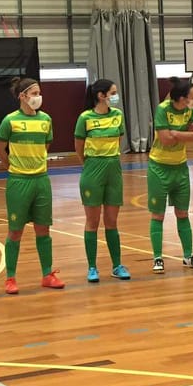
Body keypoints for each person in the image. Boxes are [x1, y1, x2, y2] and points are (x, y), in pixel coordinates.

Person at [0, 77, 63, 293]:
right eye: (34, 94)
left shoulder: (46, 119)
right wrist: (11, 167)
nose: (38, 97)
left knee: (43, 229)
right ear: (22, 96)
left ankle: (47, 274)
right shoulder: (10, 121)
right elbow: (0, 148)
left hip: (41, 180)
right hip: (19, 181)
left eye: (39, 93)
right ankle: (10, 278)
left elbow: (46, 144)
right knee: (15, 231)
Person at [147, 77, 193, 273]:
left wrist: (176, 134)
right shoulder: (163, 109)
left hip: (180, 167)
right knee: (158, 215)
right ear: (181, 98)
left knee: (182, 213)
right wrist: (182, 134)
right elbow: (164, 140)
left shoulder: (191, 110)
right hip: (159, 167)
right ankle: (157, 258)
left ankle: (188, 256)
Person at [74, 78, 130, 283]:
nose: (116, 96)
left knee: (112, 221)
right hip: (92, 169)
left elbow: (119, 140)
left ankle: (117, 265)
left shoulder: (118, 116)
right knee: (92, 221)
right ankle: (92, 267)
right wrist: (89, 165)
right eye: (113, 92)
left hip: (113, 169)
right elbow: (78, 147)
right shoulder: (85, 118)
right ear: (101, 95)